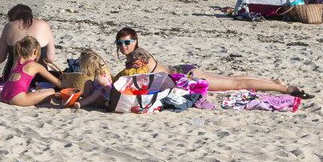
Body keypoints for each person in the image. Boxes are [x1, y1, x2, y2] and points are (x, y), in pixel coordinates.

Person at [115, 30, 311, 96]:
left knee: (235, 84)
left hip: (184, 77)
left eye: (127, 42)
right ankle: (274, 82)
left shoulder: (138, 55)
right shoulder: (137, 54)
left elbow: (135, 66)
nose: (124, 46)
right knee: (233, 80)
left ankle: (285, 89)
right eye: (120, 43)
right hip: (183, 71)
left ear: (135, 41)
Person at [0, 4, 57, 81]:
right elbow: (50, 58)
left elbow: (0, 58)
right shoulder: (44, 25)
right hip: (40, 77)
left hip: (12, 77)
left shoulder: (9, 26)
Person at [2, 36, 65, 106]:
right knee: (51, 91)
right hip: (17, 99)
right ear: (35, 51)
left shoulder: (16, 60)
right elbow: (58, 83)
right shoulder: (36, 66)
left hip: (3, 95)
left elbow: (22, 83)